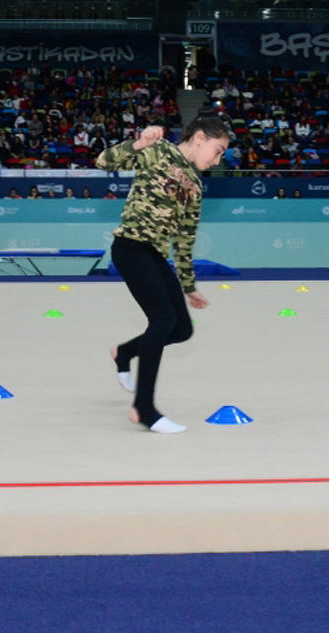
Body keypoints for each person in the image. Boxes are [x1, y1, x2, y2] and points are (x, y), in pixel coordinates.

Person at [97, 117, 229, 433]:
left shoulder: (195, 185)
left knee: (182, 329)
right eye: (218, 150)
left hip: (154, 254)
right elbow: (103, 162)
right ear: (200, 137)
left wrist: (189, 286)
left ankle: (125, 352)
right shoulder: (157, 151)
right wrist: (137, 144)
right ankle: (143, 409)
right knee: (162, 320)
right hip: (130, 247)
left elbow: (184, 240)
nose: (217, 160)